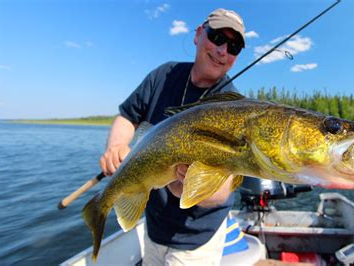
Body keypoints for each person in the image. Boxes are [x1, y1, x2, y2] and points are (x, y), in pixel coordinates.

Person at [99, 8, 246, 266]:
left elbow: (223, 191)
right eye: (217, 37)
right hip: (154, 225)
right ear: (199, 34)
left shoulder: (234, 108)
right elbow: (127, 115)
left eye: (233, 46)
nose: (223, 50)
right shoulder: (163, 76)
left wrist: (193, 186)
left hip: (196, 239)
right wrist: (117, 145)